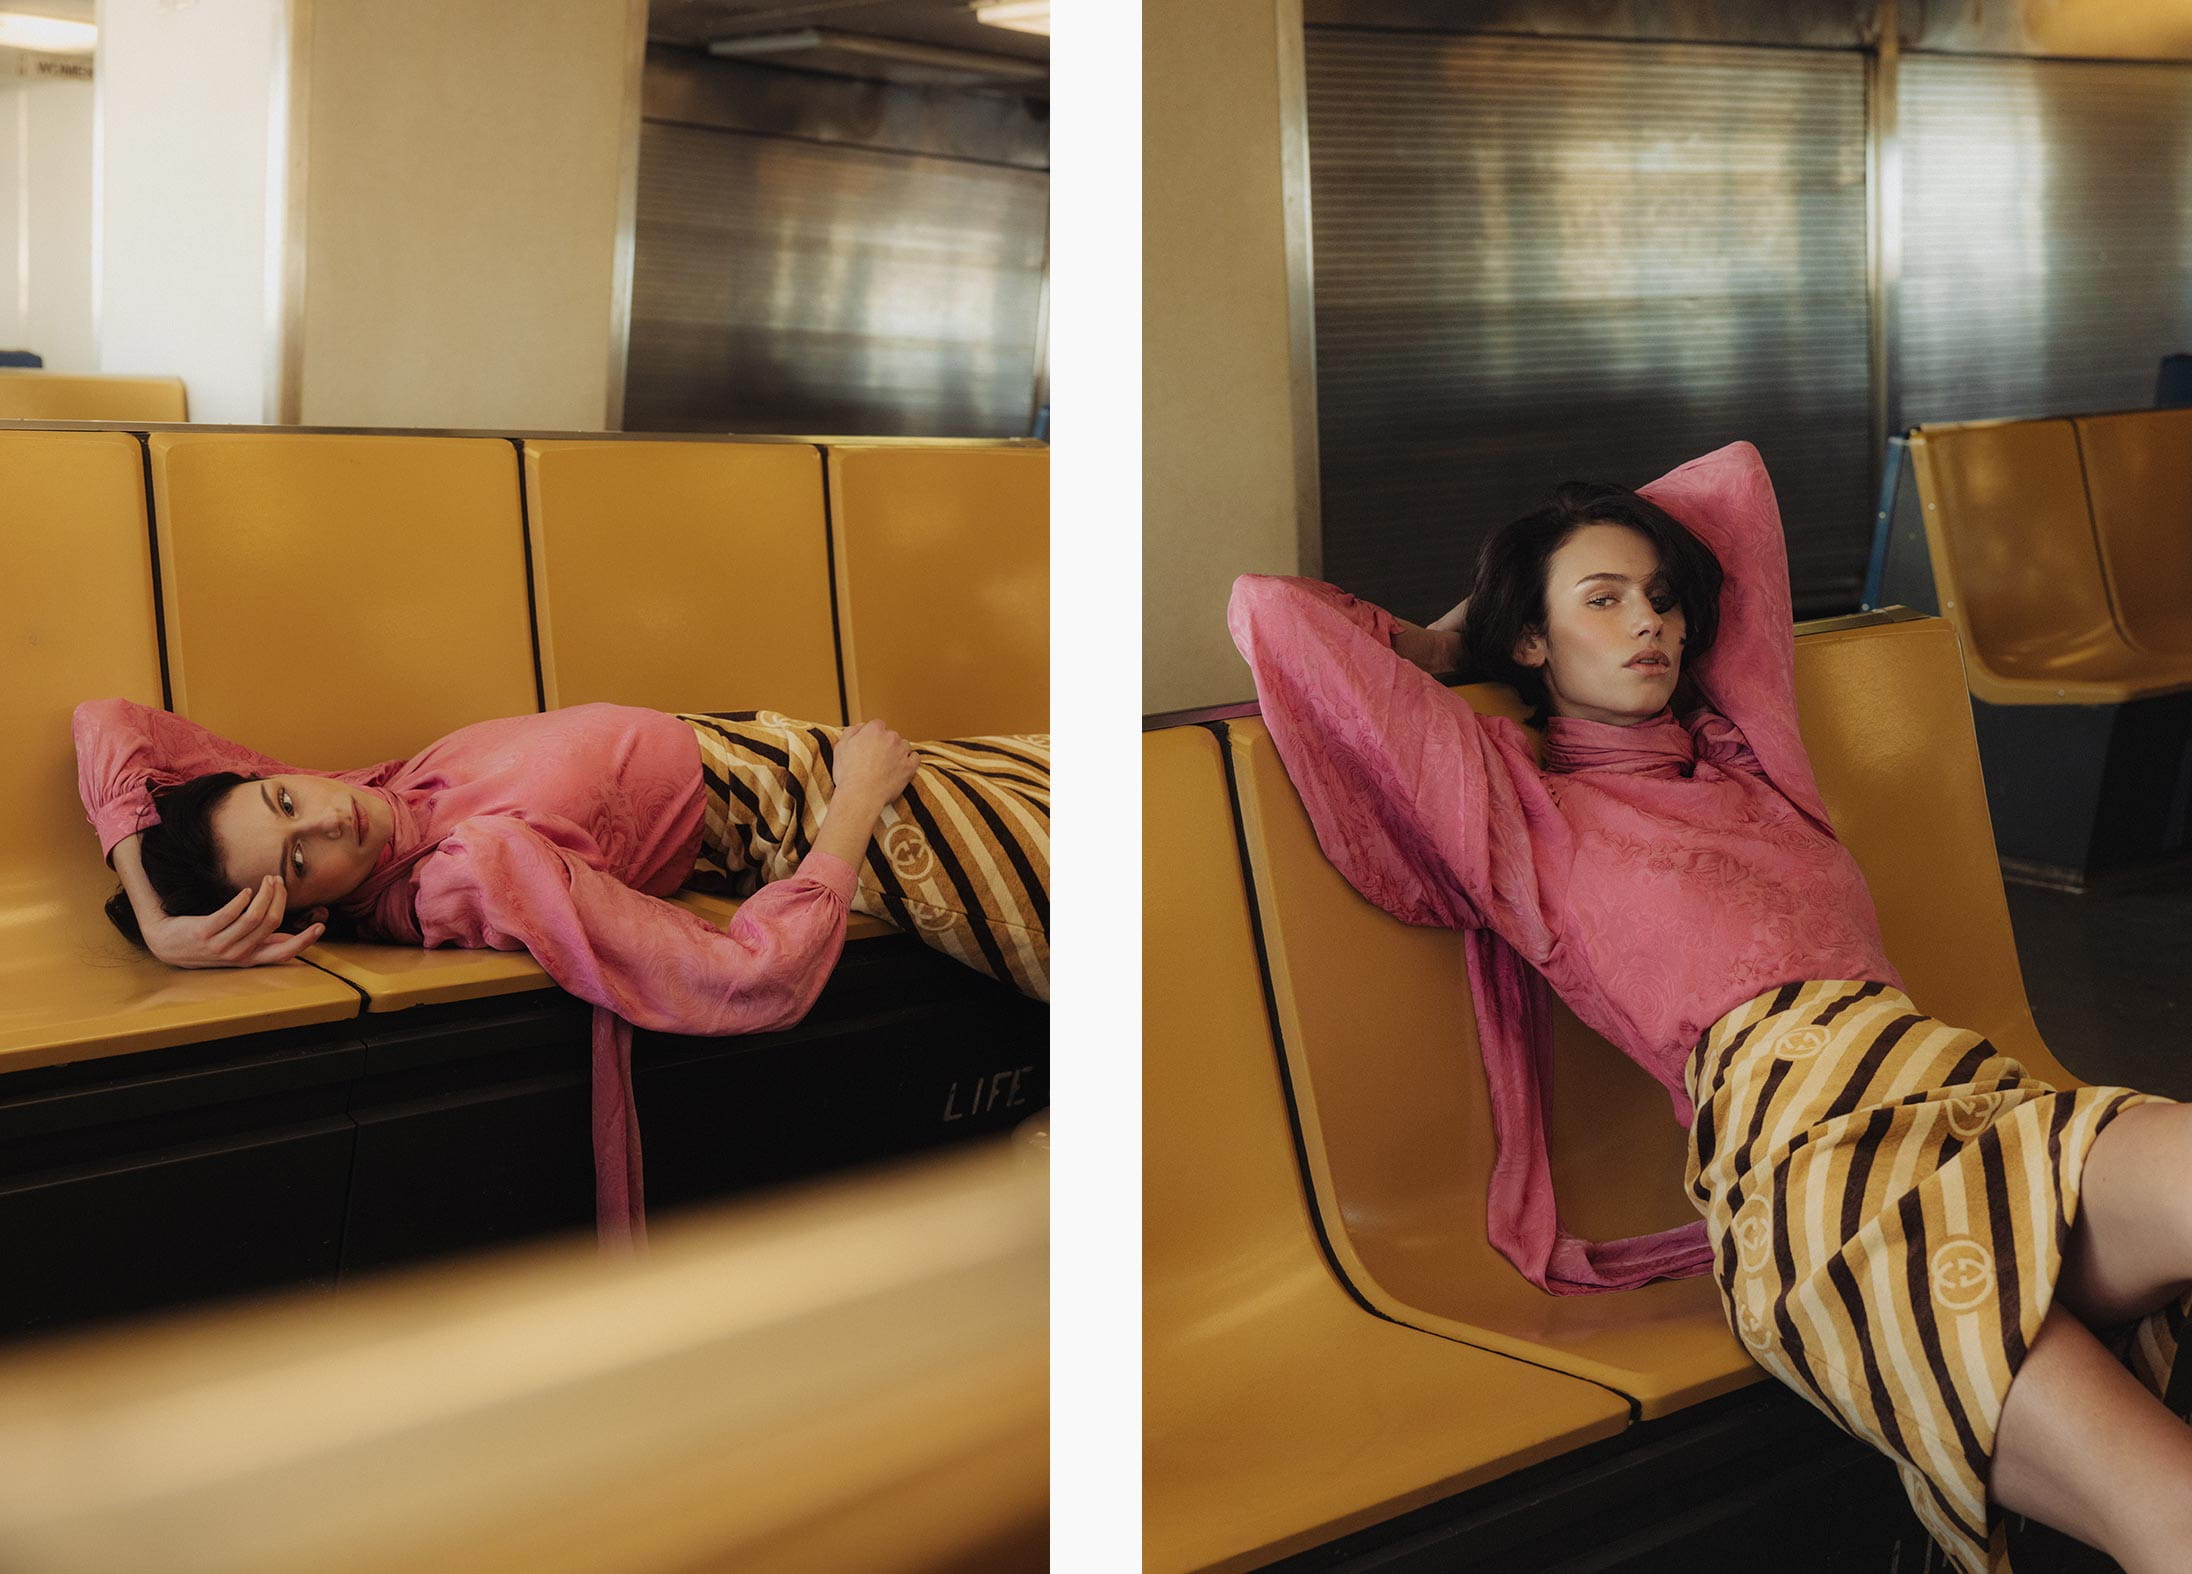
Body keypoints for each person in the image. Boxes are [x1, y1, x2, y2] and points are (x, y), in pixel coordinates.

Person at [1227, 441, 2192, 1573]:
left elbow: (1729, 483)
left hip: (1967, 1096)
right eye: (1601, 600)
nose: (1649, 622)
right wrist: (1454, 642)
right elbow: (1271, 612)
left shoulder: (1751, 758)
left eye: (1662, 599)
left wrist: (1589, 574)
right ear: (1531, 640)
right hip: (1816, 1176)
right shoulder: (1517, 816)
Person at [76, 700, 1050, 1238]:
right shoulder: (469, 865)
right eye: (296, 861)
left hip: (782, 743)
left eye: (283, 799)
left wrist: (156, 906)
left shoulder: (370, 799)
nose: (324, 819)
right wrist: (854, 800)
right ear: (307, 909)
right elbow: (753, 979)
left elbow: (111, 721)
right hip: (806, 806)